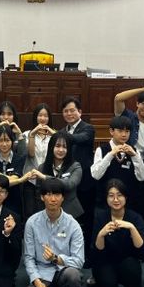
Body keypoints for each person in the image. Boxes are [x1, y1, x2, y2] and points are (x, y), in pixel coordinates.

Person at [23, 178, 84, 287]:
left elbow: (79, 261)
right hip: (41, 274)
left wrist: (56, 259)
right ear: (42, 197)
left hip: (64, 272)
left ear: (63, 197)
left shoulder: (73, 225)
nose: (53, 199)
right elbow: (29, 258)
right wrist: (37, 282)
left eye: (57, 194)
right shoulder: (32, 223)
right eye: (49, 194)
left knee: (73, 275)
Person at [92, 179, 144, 287]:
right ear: (106, 198)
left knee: (132, 268)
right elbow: (97, 252)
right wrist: (101, 234)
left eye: (120, 195)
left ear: (126, 197)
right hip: (106, 260)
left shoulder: (135, 217)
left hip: (128, 260)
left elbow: (142, 250)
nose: (116, 200)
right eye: (111, 196)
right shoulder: (101, 217)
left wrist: (131, 227)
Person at [59, 97, 95, 267]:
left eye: (72, 110)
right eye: (66, 111)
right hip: (67, 182)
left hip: (86, 183)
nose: (69, 113)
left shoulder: (88, 128)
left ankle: (87, 256)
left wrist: (59, 136)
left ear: (80, 112)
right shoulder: (62, 131)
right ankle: (67, 254)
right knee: (67, 219)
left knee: (87, 221)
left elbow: (79, 139)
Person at [90, 115, 144, 217]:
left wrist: (134, 156)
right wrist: (110, 154)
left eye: (127, 131)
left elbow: (142, 177)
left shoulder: (134, 151)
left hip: (129, 203)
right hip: (105, 203)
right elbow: (96, 175)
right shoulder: (102, 150)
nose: (124, 135)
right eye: (120, 131)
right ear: (111, 131)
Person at [29, 131, 83, 219]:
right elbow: (39, 194)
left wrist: (45, 177)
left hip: (70, 212)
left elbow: (70, 184)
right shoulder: (42, 167)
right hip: (47, 213)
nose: (61, 150)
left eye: (64, 147)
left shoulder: (75, 166)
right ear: (51, 147)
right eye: (57, 146)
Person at [0, 125, 31, 215]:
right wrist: (20, 180)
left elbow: (12, 179)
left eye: (7, 140)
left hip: (14, 203)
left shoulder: (19, 159)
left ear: (12, 141)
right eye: (1, 140)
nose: (4, 144)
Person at [22, 103, 55, 219]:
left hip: (47, 178)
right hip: (30, 179)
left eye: (46, 116)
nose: (43, 118)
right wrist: (32, 134)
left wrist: (53, 134)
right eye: (40, 115)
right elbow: (31, 153)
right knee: (30, 212)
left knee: (46, 211)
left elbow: (63, 147)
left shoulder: (53, 135)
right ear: (35, 117)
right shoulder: (27, 134)